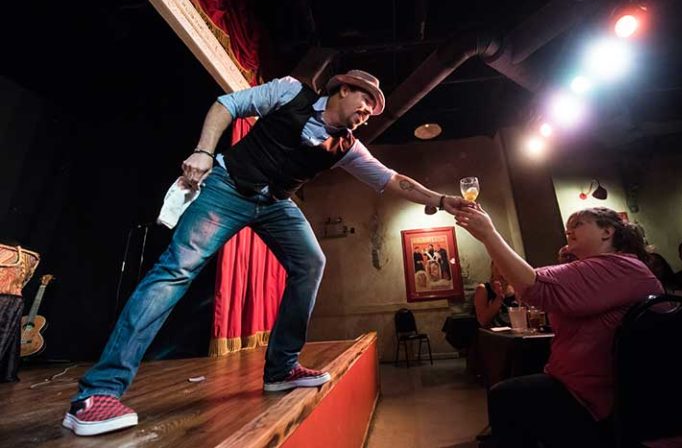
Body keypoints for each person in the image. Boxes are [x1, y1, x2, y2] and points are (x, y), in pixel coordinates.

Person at [63, 70, 470, 437]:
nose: (369, 112)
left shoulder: (347, 145)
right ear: (344, 89)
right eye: (366, 101)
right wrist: (204, 151)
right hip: (228, 187)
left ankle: (281, 368)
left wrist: (440, 198)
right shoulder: (290, 92)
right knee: (176, 270)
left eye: (374, 111)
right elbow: (227, 105)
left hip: (274, 203)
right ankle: (95, 395)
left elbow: (393, 180)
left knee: (311, 262)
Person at [456, 205, 662, 448]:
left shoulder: (615, 266)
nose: (569, 230)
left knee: (505, 395)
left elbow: (533, 288)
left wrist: (488, 234)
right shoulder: (621, 266)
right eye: (567, 228)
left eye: (578, 224)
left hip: (596, 394)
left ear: (607, 232)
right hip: (594, 381)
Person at [473, 261, 517, 328]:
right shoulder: (483, 289)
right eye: (498, 268)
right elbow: (482, 321)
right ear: (492, 269)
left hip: (516, 332)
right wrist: (499, 298)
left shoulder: (516, 288)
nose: (502, 272)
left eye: (506, 268)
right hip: (494, 335)